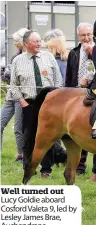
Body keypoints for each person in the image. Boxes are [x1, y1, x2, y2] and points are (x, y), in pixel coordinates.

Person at [10, 30, 63, 177]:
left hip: (48, 103)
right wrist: (22, 101)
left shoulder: (49, 57)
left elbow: (58, 81)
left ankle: (46, 170)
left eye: (40, 40)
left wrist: (54, 99)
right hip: (29, 104)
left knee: (47, 137)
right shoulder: (17, 61)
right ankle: (28, 168)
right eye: (36, 41)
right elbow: (14, 85)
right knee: (29, 137)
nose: (39, 43)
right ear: (26, 44)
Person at [65, 22, 95, 175]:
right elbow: (69, 76)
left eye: (89, 34)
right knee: (77, 131)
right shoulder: (74, 53)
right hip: (76, 94)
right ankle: (79, 166)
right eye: (83, 35)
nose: (87, 37)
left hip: (94, 93)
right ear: (78, 36)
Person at [0, 28, 29, 162]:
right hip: (10, 96)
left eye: (16, 41)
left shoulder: (29, 57)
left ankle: (21, 155)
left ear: (23, 41)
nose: (14, 43)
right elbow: (8, 76)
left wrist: (9, 74)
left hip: (21, 97)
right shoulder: (14, 56)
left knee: (18, 128)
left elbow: (20, 76)